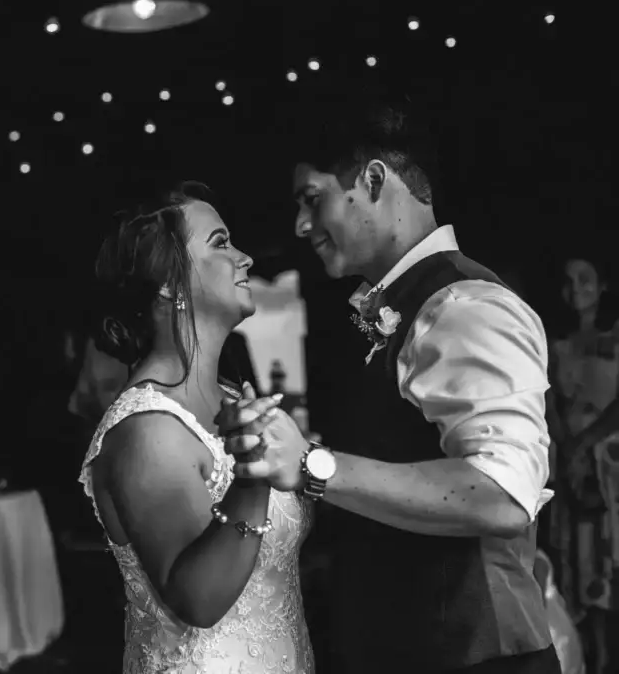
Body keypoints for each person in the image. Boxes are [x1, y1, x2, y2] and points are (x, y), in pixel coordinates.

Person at [219, 101, 560, 673]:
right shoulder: (398, 306)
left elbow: (502, 496)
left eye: (312, 199)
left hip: (476, 657)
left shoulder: (464, 304)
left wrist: (310, 464)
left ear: (374, 180)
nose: (301, 225)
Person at [79, 182, 314, 673]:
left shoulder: (235, 399)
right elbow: (199, 600)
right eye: (221, 242)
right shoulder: (144, 430)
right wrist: (251, 477)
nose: (244, 257)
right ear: (167, 281)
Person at [545, 254, 619, 674]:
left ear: (602, 285)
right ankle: (588, 654)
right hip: (572, 464)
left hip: (609, 466)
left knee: (609, 557)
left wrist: (586, 442)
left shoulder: (616, 337)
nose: (577, 290)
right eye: (569, 281)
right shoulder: (559, 342)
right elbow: (550, 399)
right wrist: (566, 443)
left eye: (585, 280)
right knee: (579, 557)